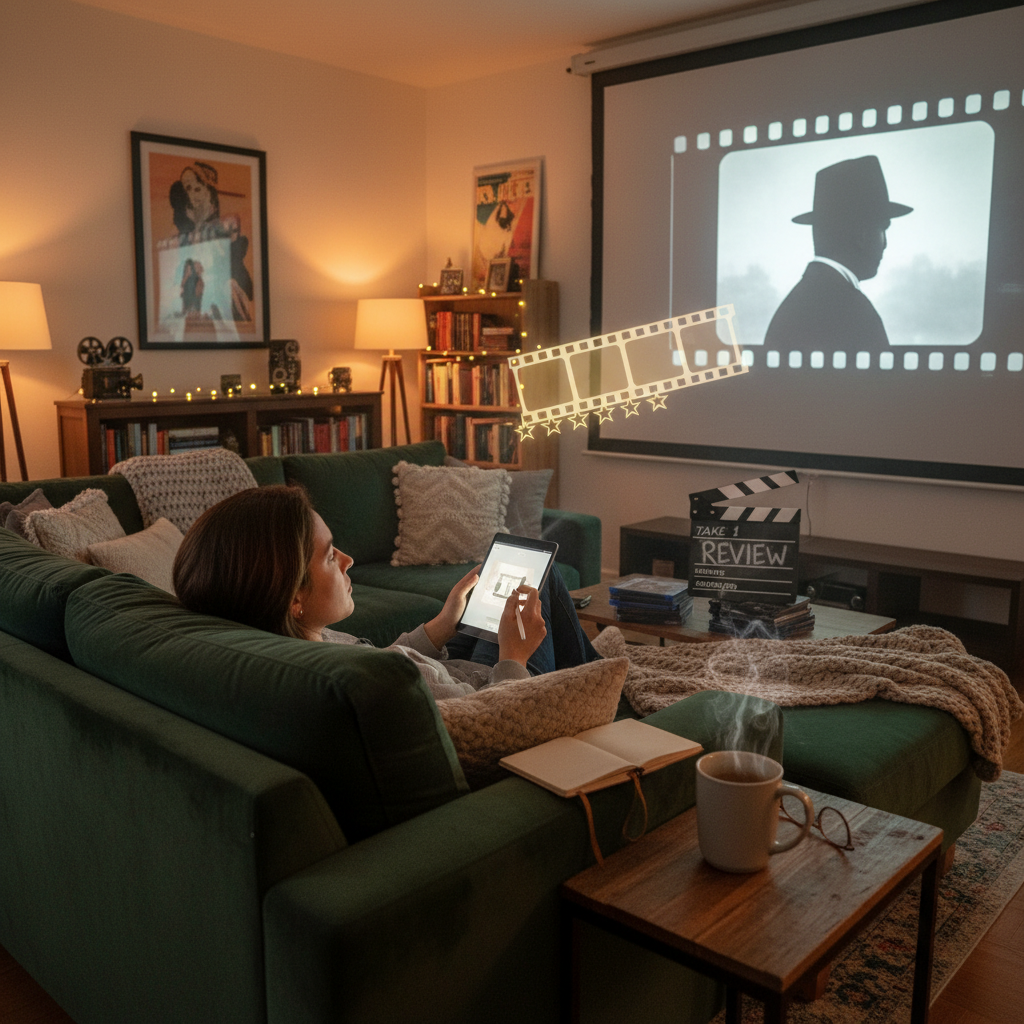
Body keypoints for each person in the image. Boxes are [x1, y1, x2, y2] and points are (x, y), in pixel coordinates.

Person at [172, 485, 601, 700]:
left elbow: (386, 662)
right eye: (328, 557)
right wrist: (513, 657)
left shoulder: (296, 646)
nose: (348, 560)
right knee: (540, 578)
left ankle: (597, 677)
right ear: (293, 599)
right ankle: (602, 689)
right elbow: (501, 722)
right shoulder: (365, 688)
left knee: (524, 571)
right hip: (500, 688)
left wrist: (440, 626)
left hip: (459, 667)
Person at [764, 155, 912, 354]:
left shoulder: (798, 302)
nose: (885, 244)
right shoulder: (854, 312)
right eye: (883, 229)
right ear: (862, 235)